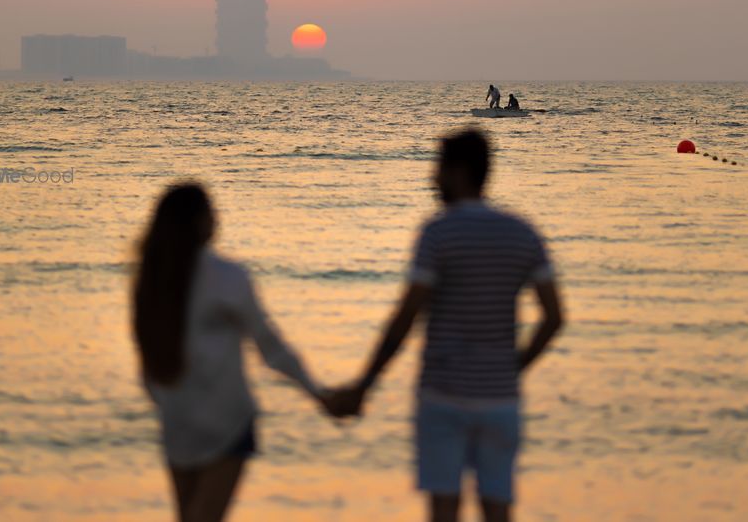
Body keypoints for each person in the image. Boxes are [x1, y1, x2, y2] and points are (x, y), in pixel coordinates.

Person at [325, 129, 565, 522]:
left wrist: (365, 385)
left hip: (443, 396)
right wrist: (513, 368)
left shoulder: (438, 232)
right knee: (498, 508)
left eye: (438, 167)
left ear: (458, 172)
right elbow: (554, 318)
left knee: (443, 511)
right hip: (500, 399)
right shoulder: (522, 232)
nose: (432, 178)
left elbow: (406, 317)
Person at [132, 183, 328, 522]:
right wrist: (318, 393)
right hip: (227, 422)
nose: (217, 220)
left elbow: (147, 363)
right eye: (211, 212)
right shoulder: (226, 277)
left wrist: (168, 405)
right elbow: (271, 349)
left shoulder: (151, 280)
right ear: (198, 222)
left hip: (178, 422)